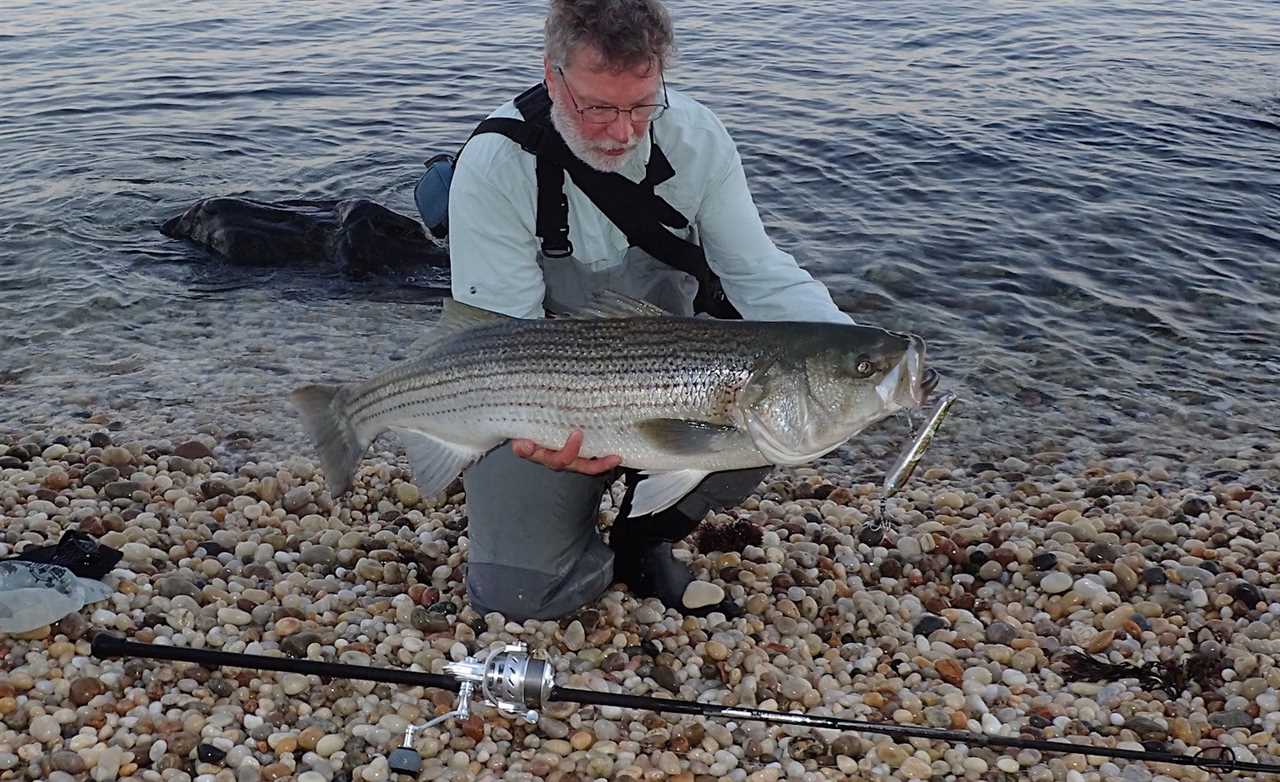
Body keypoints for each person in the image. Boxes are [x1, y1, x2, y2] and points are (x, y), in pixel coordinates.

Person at [423, 0, 853, 622]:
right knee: (517, 596)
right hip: (548, 393)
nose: (623, 132)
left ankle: (646, 533)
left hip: (678, 382)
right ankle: (584, 516)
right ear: (553, 78)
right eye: (597, 107)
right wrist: (542, 438)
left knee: (784, 404)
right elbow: (505, 343)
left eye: (642, 105)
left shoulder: (698, 137)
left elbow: (758, 274)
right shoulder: (495, 164)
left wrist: (848, 350)